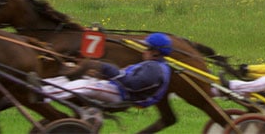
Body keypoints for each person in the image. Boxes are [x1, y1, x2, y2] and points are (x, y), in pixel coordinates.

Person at [42, 33, 173, 107]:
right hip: (118, 88)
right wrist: (103, 73)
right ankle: (43, 86)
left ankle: (43, 95)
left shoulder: (155, 69)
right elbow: (125, 77)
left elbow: (132, 85)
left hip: (122, 94)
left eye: (147, 48)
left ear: (155, 52)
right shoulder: (152, 65)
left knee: (84, 85)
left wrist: (107, 68)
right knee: (73, 77)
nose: (144, 51)